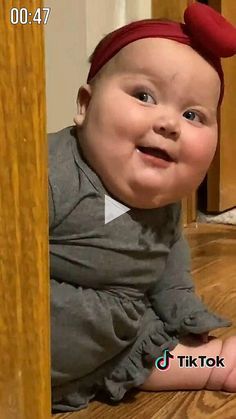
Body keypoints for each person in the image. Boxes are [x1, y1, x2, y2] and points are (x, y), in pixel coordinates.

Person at [48, 2, 236, 413]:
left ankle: (210, 365)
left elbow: (169, 261)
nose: (169, 123)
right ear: (84, 105)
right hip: (36, 328)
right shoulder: (50, 174)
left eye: (192, 114)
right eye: (144, 95)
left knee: (145, 347)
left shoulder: (165, 206)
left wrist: (185, 313)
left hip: (114, 338)